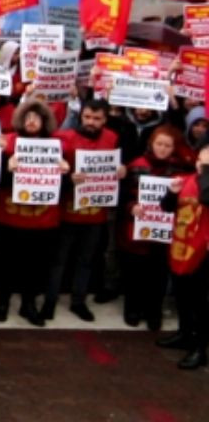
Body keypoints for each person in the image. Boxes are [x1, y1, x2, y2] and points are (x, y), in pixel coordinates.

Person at [0, 99, 68, 327]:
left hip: (43, 221)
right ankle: (3, 302)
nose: (32, 121)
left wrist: (65, 173)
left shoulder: (56, 146)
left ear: (45, 122)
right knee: (7, 264)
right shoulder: (8, 143)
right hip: (10, 217)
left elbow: (62, 190)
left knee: (36, 267)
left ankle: (28, 305)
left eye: (37, 118)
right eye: (27, 117)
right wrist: (6, 166)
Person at [51, 98, 122, 322]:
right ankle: (50, 301)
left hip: (95, 213)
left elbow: (118, 167)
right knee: (58, 259)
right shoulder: (64, 138)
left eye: (97, 118)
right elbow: (48, 167)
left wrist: (121, 170)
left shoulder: (112, 138)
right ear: (81, 116)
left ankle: (78, 301)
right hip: (66, 211)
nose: (91, 122)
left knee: (86, 259)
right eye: (87, 117)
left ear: (105, 119)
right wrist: (67, 175)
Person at [122, 124, 190, 329]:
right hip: (136, 230)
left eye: (167, 146)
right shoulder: (135, 165)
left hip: (164, 233)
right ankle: (132, 309)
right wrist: (131, 206)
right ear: (151, 144)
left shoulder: (179, 171)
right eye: (159, 144)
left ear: (173, 148)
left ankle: (153, 312)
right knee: (135, 272)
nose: (162, 149)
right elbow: (123, 195)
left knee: (158, 275)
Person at [157, 145, 209, 369]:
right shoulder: (186, 180)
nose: (200, 165)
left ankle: (200, 348)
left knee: (201, 302)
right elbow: (167, 208)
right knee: (182, 295)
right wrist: (172, 194)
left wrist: (206, 173)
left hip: (203, 252)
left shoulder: (204, 183)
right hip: (181, 247)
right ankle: (184, 333)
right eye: (199, 160)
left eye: (206, 163)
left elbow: (206, 197)